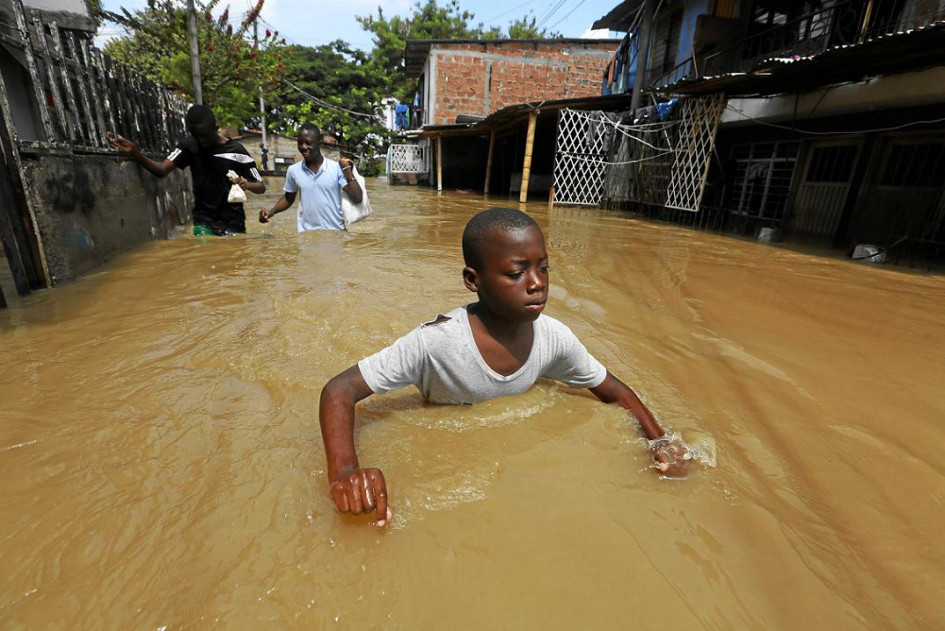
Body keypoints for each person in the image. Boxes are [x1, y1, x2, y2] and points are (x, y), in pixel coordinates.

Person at [319, 207, 692, 526]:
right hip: (451, 466)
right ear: (473, 280)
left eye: (543, 269)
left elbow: (615, 391)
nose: (536, 285)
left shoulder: (554, 339)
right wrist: (345, 471)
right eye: (516, 274)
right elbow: (339, 390)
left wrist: (659, 441)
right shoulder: (435, 344)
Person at [106, 105, 266, 236]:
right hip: (204, 221)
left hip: (233, 223)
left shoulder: (237, 151)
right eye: (196, 136)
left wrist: (247, 185)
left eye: (205, 135)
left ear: (216, 129)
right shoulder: (188, 146)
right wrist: (134, 152)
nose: (202, 141)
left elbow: (261, 186)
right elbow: (162, 170)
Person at [258, 123, 362, 232]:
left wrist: (348, 171)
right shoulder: (293, 171)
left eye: (308, 143)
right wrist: (271, 212)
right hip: (307, 236)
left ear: (319, 143)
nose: (303, 147)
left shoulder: (336, 168)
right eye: (300, 143)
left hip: (335, 233)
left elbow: (357, 198)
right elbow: (288, 198)